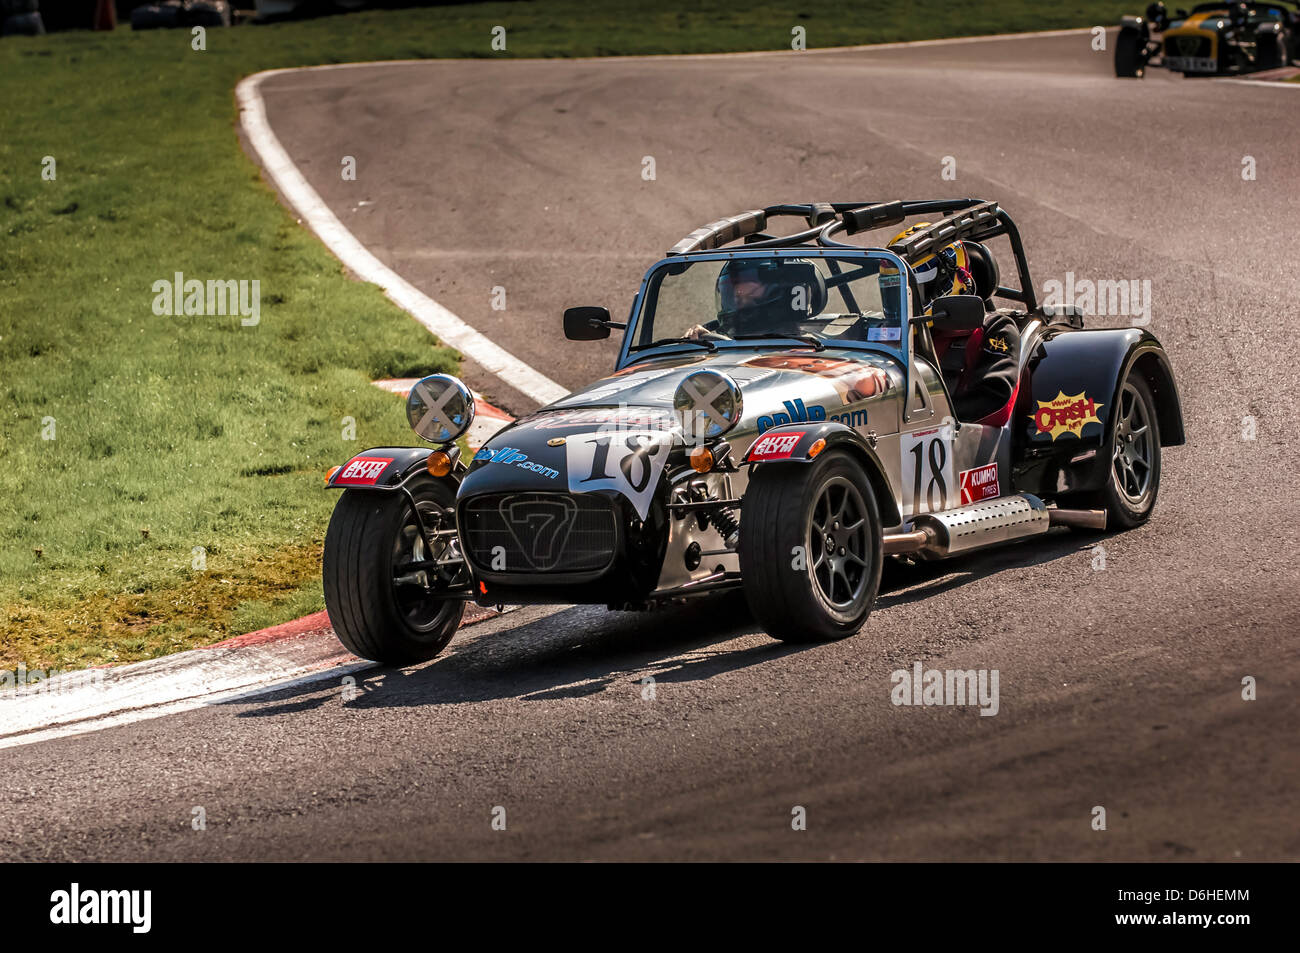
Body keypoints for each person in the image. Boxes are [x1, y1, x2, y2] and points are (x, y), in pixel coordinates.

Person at [890, 224, 1021, 423]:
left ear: (955, 279)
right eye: (895, 292)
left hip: (957, 441)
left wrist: (924, 420)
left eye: (918, 290)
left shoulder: (995, 329)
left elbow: (996, 400)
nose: (906, 300)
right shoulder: (883, 331)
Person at [684, 258, 825, 341]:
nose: (736, 299)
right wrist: (701, 345)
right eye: (733, 293)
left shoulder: (809, 350)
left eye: (745, 294)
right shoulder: (734, 342)